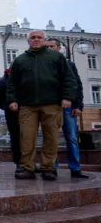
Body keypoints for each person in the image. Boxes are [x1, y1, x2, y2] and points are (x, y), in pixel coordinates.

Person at [7, 30, 77, 181]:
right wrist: (12, 100)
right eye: (33, 37)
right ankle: (27, 168)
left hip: (52, 104)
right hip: (27, 106)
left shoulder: (56, 57)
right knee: (27, 138)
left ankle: (48, 168)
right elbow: (11, 83)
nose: (36, 40)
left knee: (51, 138)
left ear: (44, 40)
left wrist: (67, 97)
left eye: (39, 37)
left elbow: (69, 79)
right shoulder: (21, 60)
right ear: (28, 41)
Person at [46, 38, 88, 179]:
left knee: (71, 138)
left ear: (59, 48)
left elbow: (78, 85)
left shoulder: (69, 64)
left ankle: (75, 169)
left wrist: (78, 105)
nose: (49, 49)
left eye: (52, 46)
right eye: (47, 47)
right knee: (51, 138)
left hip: (69, 107)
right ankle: (52, 168)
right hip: (51, 107)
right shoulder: (44, 65)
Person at [0, 67, 22, 173]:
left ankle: (28, 162)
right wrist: (7, 107)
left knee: (27, 137)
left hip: (26, 111)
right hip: (12, 113)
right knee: (16, 137)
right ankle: (19, 162)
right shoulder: (2, 81)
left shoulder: (22, 78)